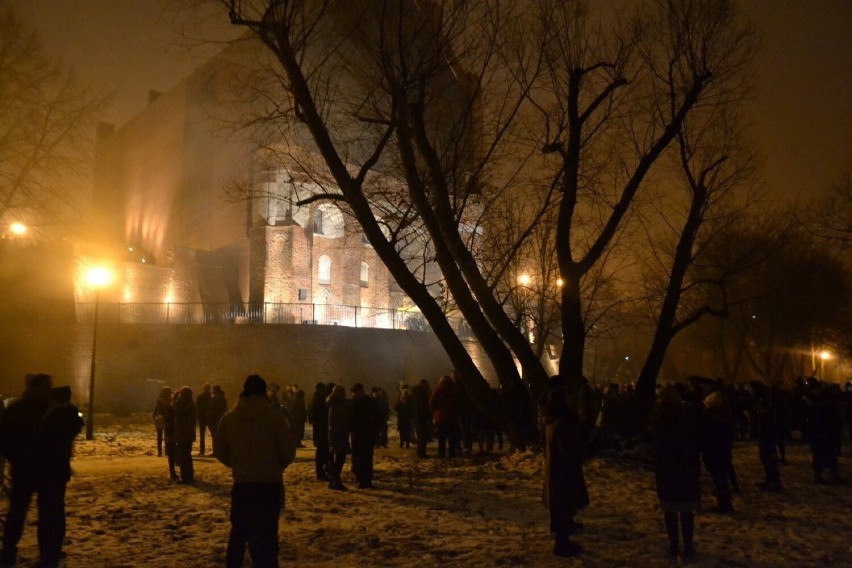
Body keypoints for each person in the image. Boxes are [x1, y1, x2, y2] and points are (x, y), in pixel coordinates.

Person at [215, 374, 296, 568]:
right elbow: (288, 451)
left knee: (239, 534)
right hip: (269, 485)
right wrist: (276, 466)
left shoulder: (230, 418)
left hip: (243, 484)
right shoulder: (275, 417)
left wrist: (237, 464)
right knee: (267, 534)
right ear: (263, 392)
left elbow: (219, 450)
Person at [0, 373, 60, 567]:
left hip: (34, 470)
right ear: (35, 389)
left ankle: (13, 551)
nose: (48, 391)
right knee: (24, 514)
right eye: (45, 387)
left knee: (25, 514)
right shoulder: (46, 411)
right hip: (33, 470)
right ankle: (16, 551)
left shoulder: (39, 410)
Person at [542, 384, 589, 558]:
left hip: (557, 471)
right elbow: (568, 450)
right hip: (563, 473)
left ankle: (564, 539)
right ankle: (562, 545)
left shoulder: (552, 420)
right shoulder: (562, 423)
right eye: (568, 397)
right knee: (563, 507)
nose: (572, 400)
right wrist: (581, 450)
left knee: (561, 508)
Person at [653, 386, 700, 559]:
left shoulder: (659, 419)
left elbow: (657, 446)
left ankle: (674, 545)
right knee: (687, 511)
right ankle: (688, 546)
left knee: (670, 511)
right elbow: (694, 441)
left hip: (667, 469)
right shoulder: (686, 417)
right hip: (686, 468)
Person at [41, 386, 84, 565]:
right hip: (60, 468)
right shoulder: (70, 417)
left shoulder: (55, 417)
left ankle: (49, 551)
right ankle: (55, 547)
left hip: (50, 468)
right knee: (57, 508)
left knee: (50, 510)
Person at [700, 391, 735, 513]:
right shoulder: (725, 414)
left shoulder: (709, 416)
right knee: (722, 477)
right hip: (723, 449)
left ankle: (724, 505)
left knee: (719, 478)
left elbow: (704, 434)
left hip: (713, 450)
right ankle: (725, 503)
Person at [350, 384, 382, 489]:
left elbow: (378, 417)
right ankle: (363, 480)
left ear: (361, 391)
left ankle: (364, 480)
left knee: (364, 459)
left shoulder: (367, 403)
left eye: (355, 392)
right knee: (362, 459)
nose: (354, 394)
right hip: (361, 435)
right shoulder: (364, 402)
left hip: (364, 435)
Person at [326, 385, 351, 491]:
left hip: (335, 434)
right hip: (338, 434)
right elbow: (343, 418)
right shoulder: (337, 405)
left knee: (337, 459)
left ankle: (333, 481)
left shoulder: (334, 403)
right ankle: (336, 481)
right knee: (340, 459)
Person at [430, 375, 460, 459]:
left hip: (441, 417)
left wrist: (434, 412)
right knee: (452, 437)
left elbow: (432, 402)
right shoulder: (453, 390)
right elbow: (457, 403)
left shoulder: (438, 390)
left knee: (441, 438)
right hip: (452, 417)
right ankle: (452, 453)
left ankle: (441, 454)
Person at [173, 386, 197, 484]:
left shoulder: (185, 405)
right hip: (188, 434)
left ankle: (186, 477)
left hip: (184, 434)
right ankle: (189, 476)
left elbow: (177, 410)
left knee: (184, 456)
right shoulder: (191, 404)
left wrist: (177, 400)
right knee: (187, 456)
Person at [308, 383, 330, 481]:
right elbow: (319, 415)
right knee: (321, 451)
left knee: (321, 451)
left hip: (319, 429)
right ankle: (320, 472)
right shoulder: (318, 400)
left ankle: (320, 471)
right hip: (320, 429)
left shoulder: (315, 399)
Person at [411, 379, 432, 458]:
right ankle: (421, 453)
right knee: (422, 436)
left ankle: (421, 452)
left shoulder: (417, 393)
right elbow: (424, 407)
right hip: (421, 418)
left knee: (421, 436)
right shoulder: (421, 394)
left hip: (418, 418)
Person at [153, 386, 172, 457]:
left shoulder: (159, 400)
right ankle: (167, 451)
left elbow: (156, 410)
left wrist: (154, 417)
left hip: (160, 419)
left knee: (159, 436)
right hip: (168, 419)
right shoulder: (170, 400)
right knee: (167, 436)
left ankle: (160, 452)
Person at [196, 383, 212, 455]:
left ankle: (202, 450)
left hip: (202, 417)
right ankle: (215, 450)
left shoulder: (200, 396)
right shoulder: (212, 397)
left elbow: (197, 407)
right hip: (210, 417)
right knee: (213, 434)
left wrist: (197, 417)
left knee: (202, 434)